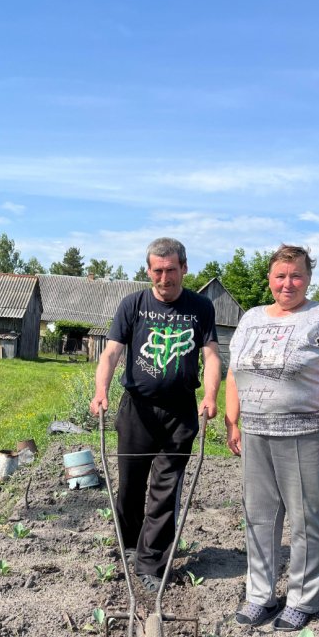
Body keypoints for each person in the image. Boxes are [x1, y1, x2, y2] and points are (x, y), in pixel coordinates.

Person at [225, 245, 319, 631]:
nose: (288, 283)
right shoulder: (250, 319)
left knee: (306, 520)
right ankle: (260, 595)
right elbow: (235, 374)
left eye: (296, 275)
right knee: (259, 518)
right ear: (269, 278)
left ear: (308, 278)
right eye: (281, 276)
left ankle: (303, 599)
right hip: (255, 434)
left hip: (307, 434)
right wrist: (233, 420)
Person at [90, 238, 222, 592]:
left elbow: (211, 355)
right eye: (158, 271)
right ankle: (130, 544)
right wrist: (101, 390)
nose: (165, 278)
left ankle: (151, 563)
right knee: (131, 486)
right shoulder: (133, 304)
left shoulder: (200, 307)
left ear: (184, 268)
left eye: (172, 270)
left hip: (179, 413)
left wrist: (210, 395)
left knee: (166, 490)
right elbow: (111, 353)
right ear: (149, 271)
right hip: (137, 411)